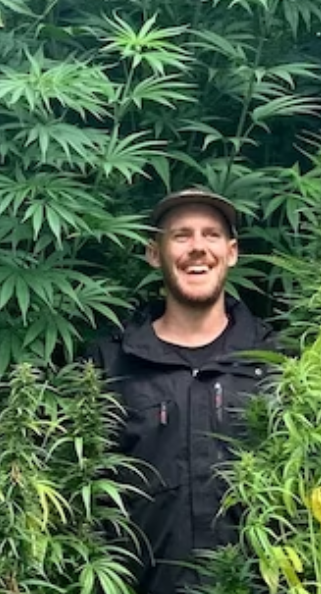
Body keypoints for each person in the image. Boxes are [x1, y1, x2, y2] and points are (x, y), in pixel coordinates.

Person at [86, 188, 276, 594]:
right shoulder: (110, 365)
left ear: (231, 252)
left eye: (211, 234)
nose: (198, 247)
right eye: (181, 235)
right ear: (154, 253)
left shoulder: (275, 362)